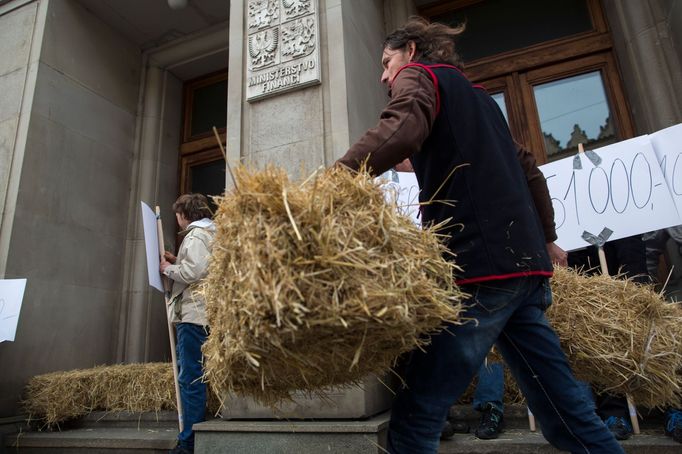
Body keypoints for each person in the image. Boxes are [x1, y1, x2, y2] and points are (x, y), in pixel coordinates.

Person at [336, 17, 622, 453]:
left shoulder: (421, 76)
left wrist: (332, 180)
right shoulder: (482, 102)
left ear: (411, 51)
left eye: (386, 62)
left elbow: (401, 128)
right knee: (567, 413)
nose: (382, 75)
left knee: (416, 415)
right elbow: (530, 171)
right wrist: (545, 238)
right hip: (524, 274)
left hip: (478, 272)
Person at [160, 193, 215, 454]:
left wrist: (166, 269)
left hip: (193, 315)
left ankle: (189, 442)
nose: (178, 221)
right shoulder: (210, 234)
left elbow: (193, 273)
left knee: (190, 378)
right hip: (201, 314)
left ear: (185, 214)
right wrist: (176, 262)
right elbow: (199, 268)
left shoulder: (196, 235)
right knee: (195, 375)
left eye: (178, 215)